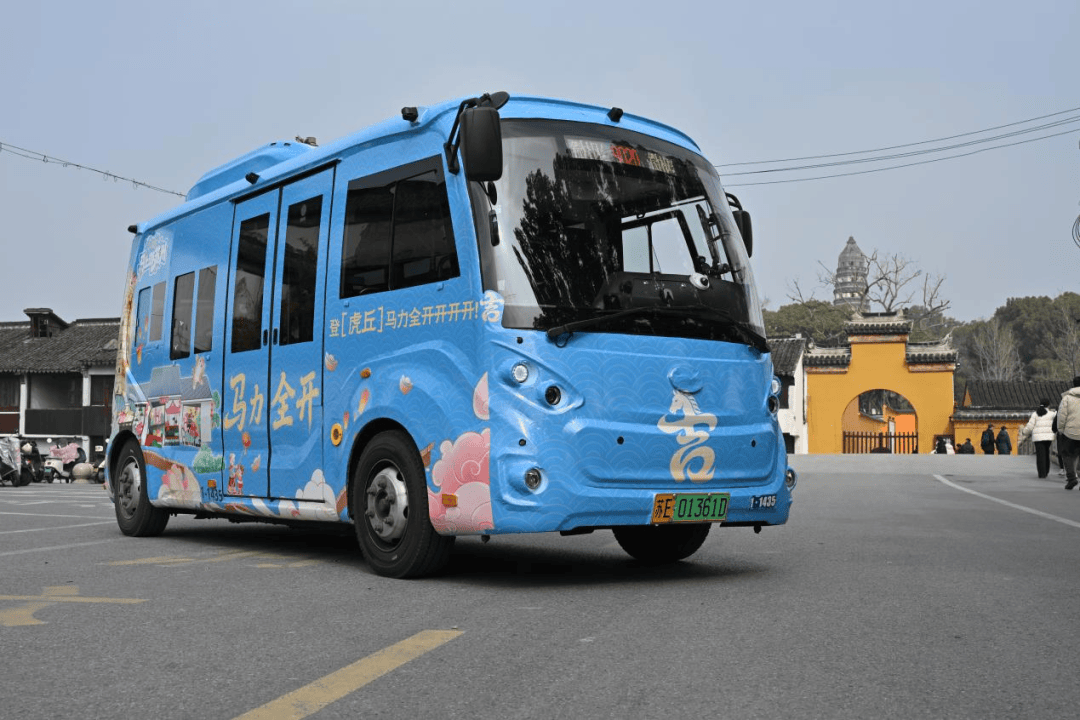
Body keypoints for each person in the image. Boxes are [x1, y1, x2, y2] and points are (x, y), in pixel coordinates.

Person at [1019, 399, 1057, 479]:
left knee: (1040, 455)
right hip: (1048, 437)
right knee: (1046, 453)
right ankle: (1046, 471)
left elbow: (1030, 426)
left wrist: (1024, 432)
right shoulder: (1052, 414)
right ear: (1048, 405)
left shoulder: (1035, 414)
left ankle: (1041, 473)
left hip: (1038, 438)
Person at [1056, 377, 1080, 490]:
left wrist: (1060, 429)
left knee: (1067, 454)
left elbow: (1061, 415)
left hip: (1070, 432)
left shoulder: (1067, 398)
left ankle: (1072, 478)